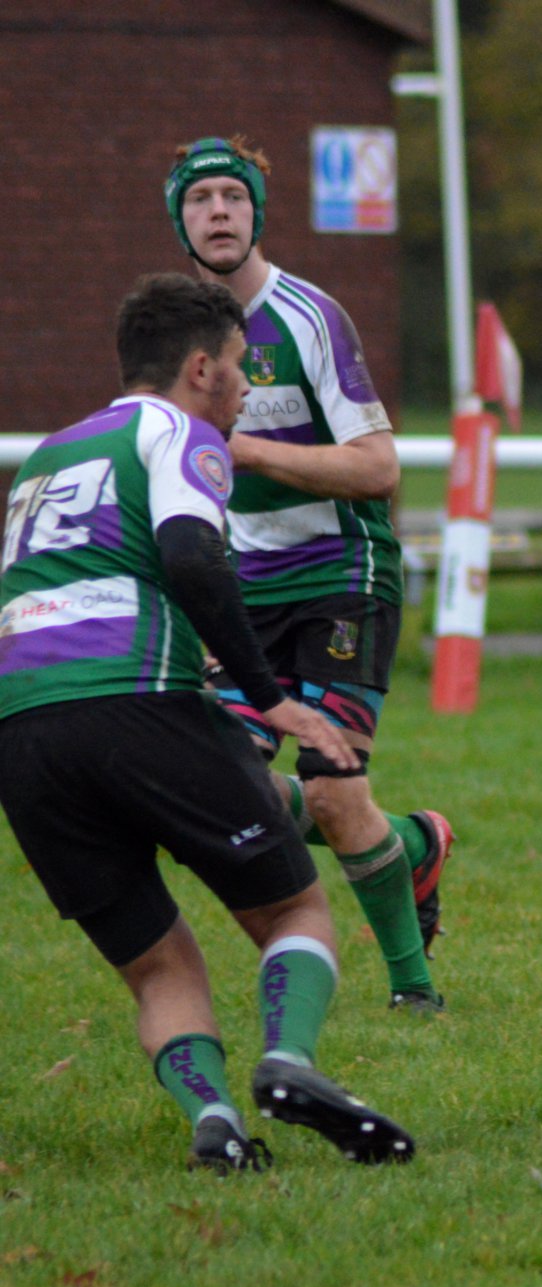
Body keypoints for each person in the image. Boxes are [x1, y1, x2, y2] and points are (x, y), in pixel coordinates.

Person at [0, 274, 416, 1170]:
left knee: (157, 966)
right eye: (237, 370)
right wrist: (271, 696)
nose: (242, 391)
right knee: (297, 907)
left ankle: (217, 1124)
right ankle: (289, 1061)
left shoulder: (44, 455)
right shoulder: (182, 430)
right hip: (135, 699)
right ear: (200, 369)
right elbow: (193, 555)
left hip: (21, 728)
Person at [164, 136, 452, 1013]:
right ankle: (414, 842)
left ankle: (414, 990)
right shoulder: (177, 336)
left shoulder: (308, 317)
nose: (219, 211)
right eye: (201, 198)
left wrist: (241, 447)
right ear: (179, 221)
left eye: (233, 197)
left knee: (330, 791)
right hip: (244, 586)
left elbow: (379, 469)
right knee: (215, 789)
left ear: (256, 214)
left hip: (342, 574)